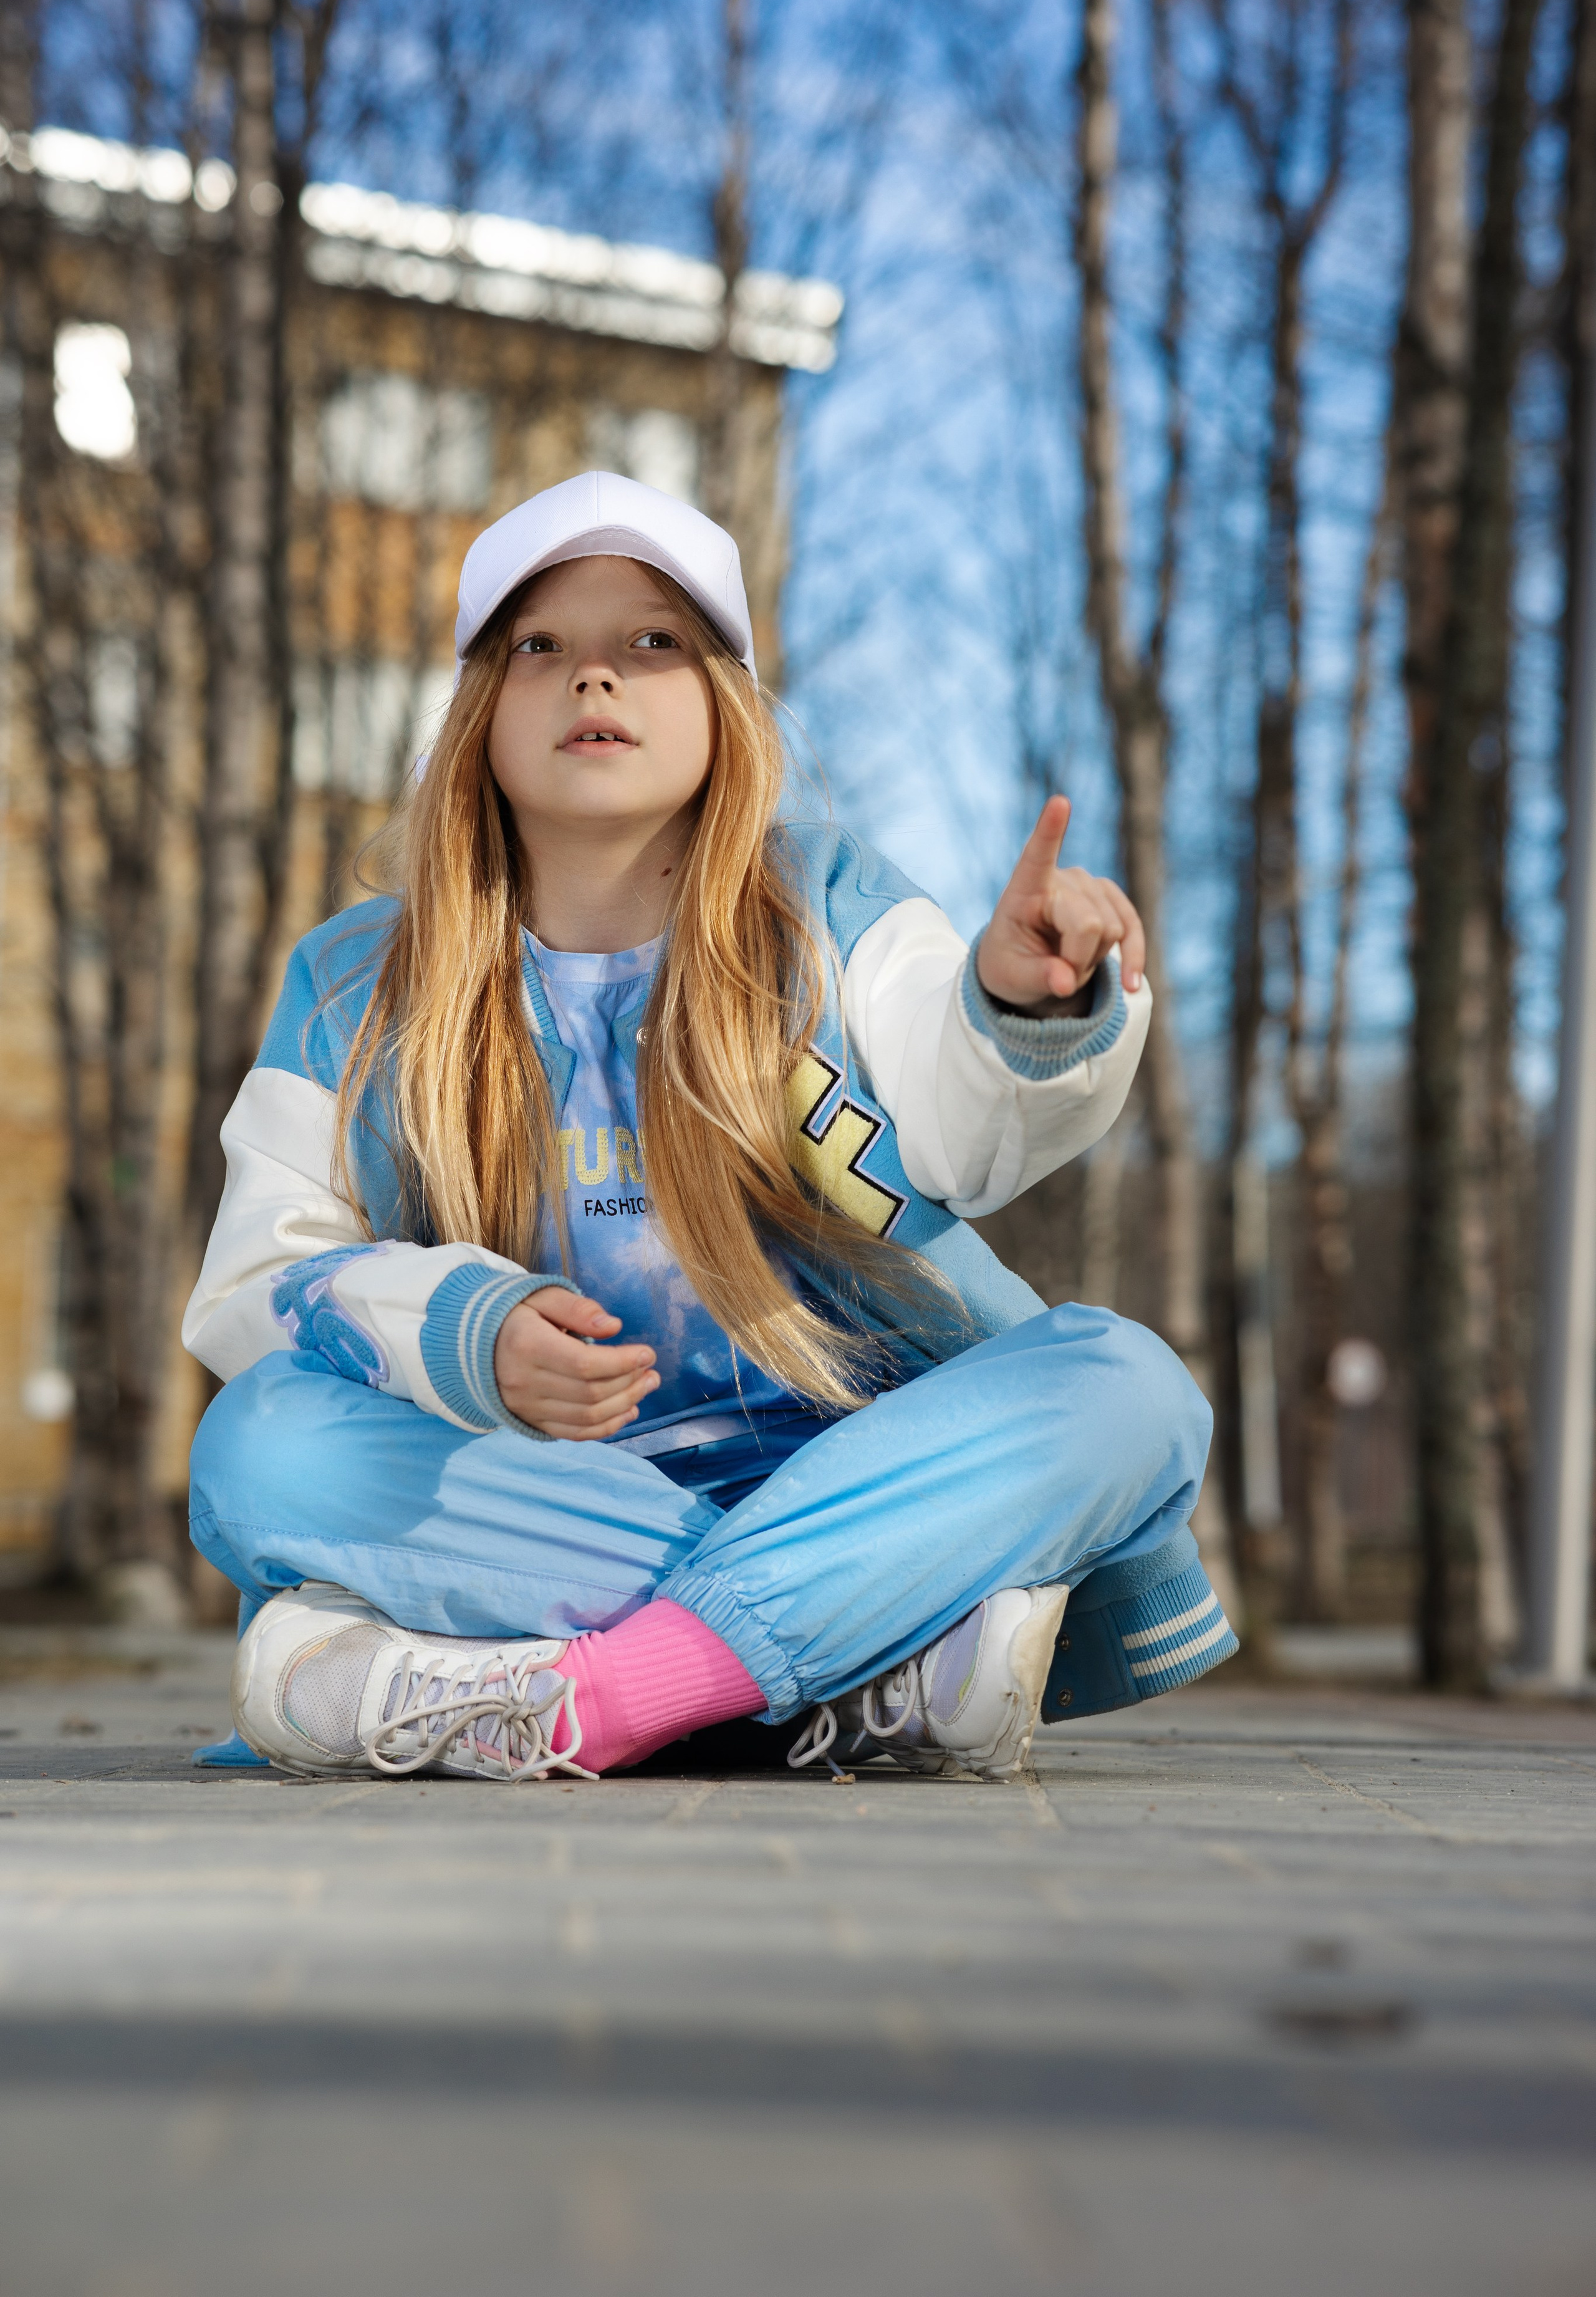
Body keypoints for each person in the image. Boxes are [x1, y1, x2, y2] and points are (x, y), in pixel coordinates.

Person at [185, 470, 1231, 1788]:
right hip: (551, 1507)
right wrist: (461, 1332)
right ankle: (855, 1667)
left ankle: (587, 1698)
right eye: (539, 648)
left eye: (650, 645)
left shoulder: (828, 908)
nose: (594, 683)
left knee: (1123, 1384)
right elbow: (254, 1285)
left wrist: (1026, 1008)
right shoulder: (352, 985)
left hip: (862, 1466)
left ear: (723, 704)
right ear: (478, 713)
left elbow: (963, 1135)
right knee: (257, 1443)